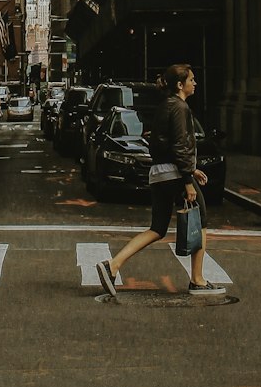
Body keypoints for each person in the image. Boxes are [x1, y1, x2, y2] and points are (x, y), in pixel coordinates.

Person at [95, 63, 224, 299]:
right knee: (201, 218)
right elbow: (180, 145)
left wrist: (192, 170)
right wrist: (187, 178)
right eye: (191, 79)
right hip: (175, 174)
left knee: (157, 228)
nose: (195, 83)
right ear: (179, 84)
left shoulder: (164, 106)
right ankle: (197, 280)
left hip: (159, 173)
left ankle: (112, 266)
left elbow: (162, 144)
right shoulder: (180, 107)